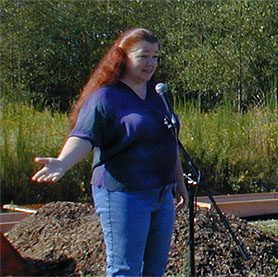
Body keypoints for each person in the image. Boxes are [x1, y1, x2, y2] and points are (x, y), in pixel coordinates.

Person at [32, 27, 188, 277]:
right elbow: (84, 137)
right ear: (123, 57)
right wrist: (63, 162)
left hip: (161, 194)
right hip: (124, 196)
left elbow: (169, 141)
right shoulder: (105, 98)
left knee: (156, 269)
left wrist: (178, 182)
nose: (151, 63)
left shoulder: (158, 95)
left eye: (155, 57)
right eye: (144, 56)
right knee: (125, 269)